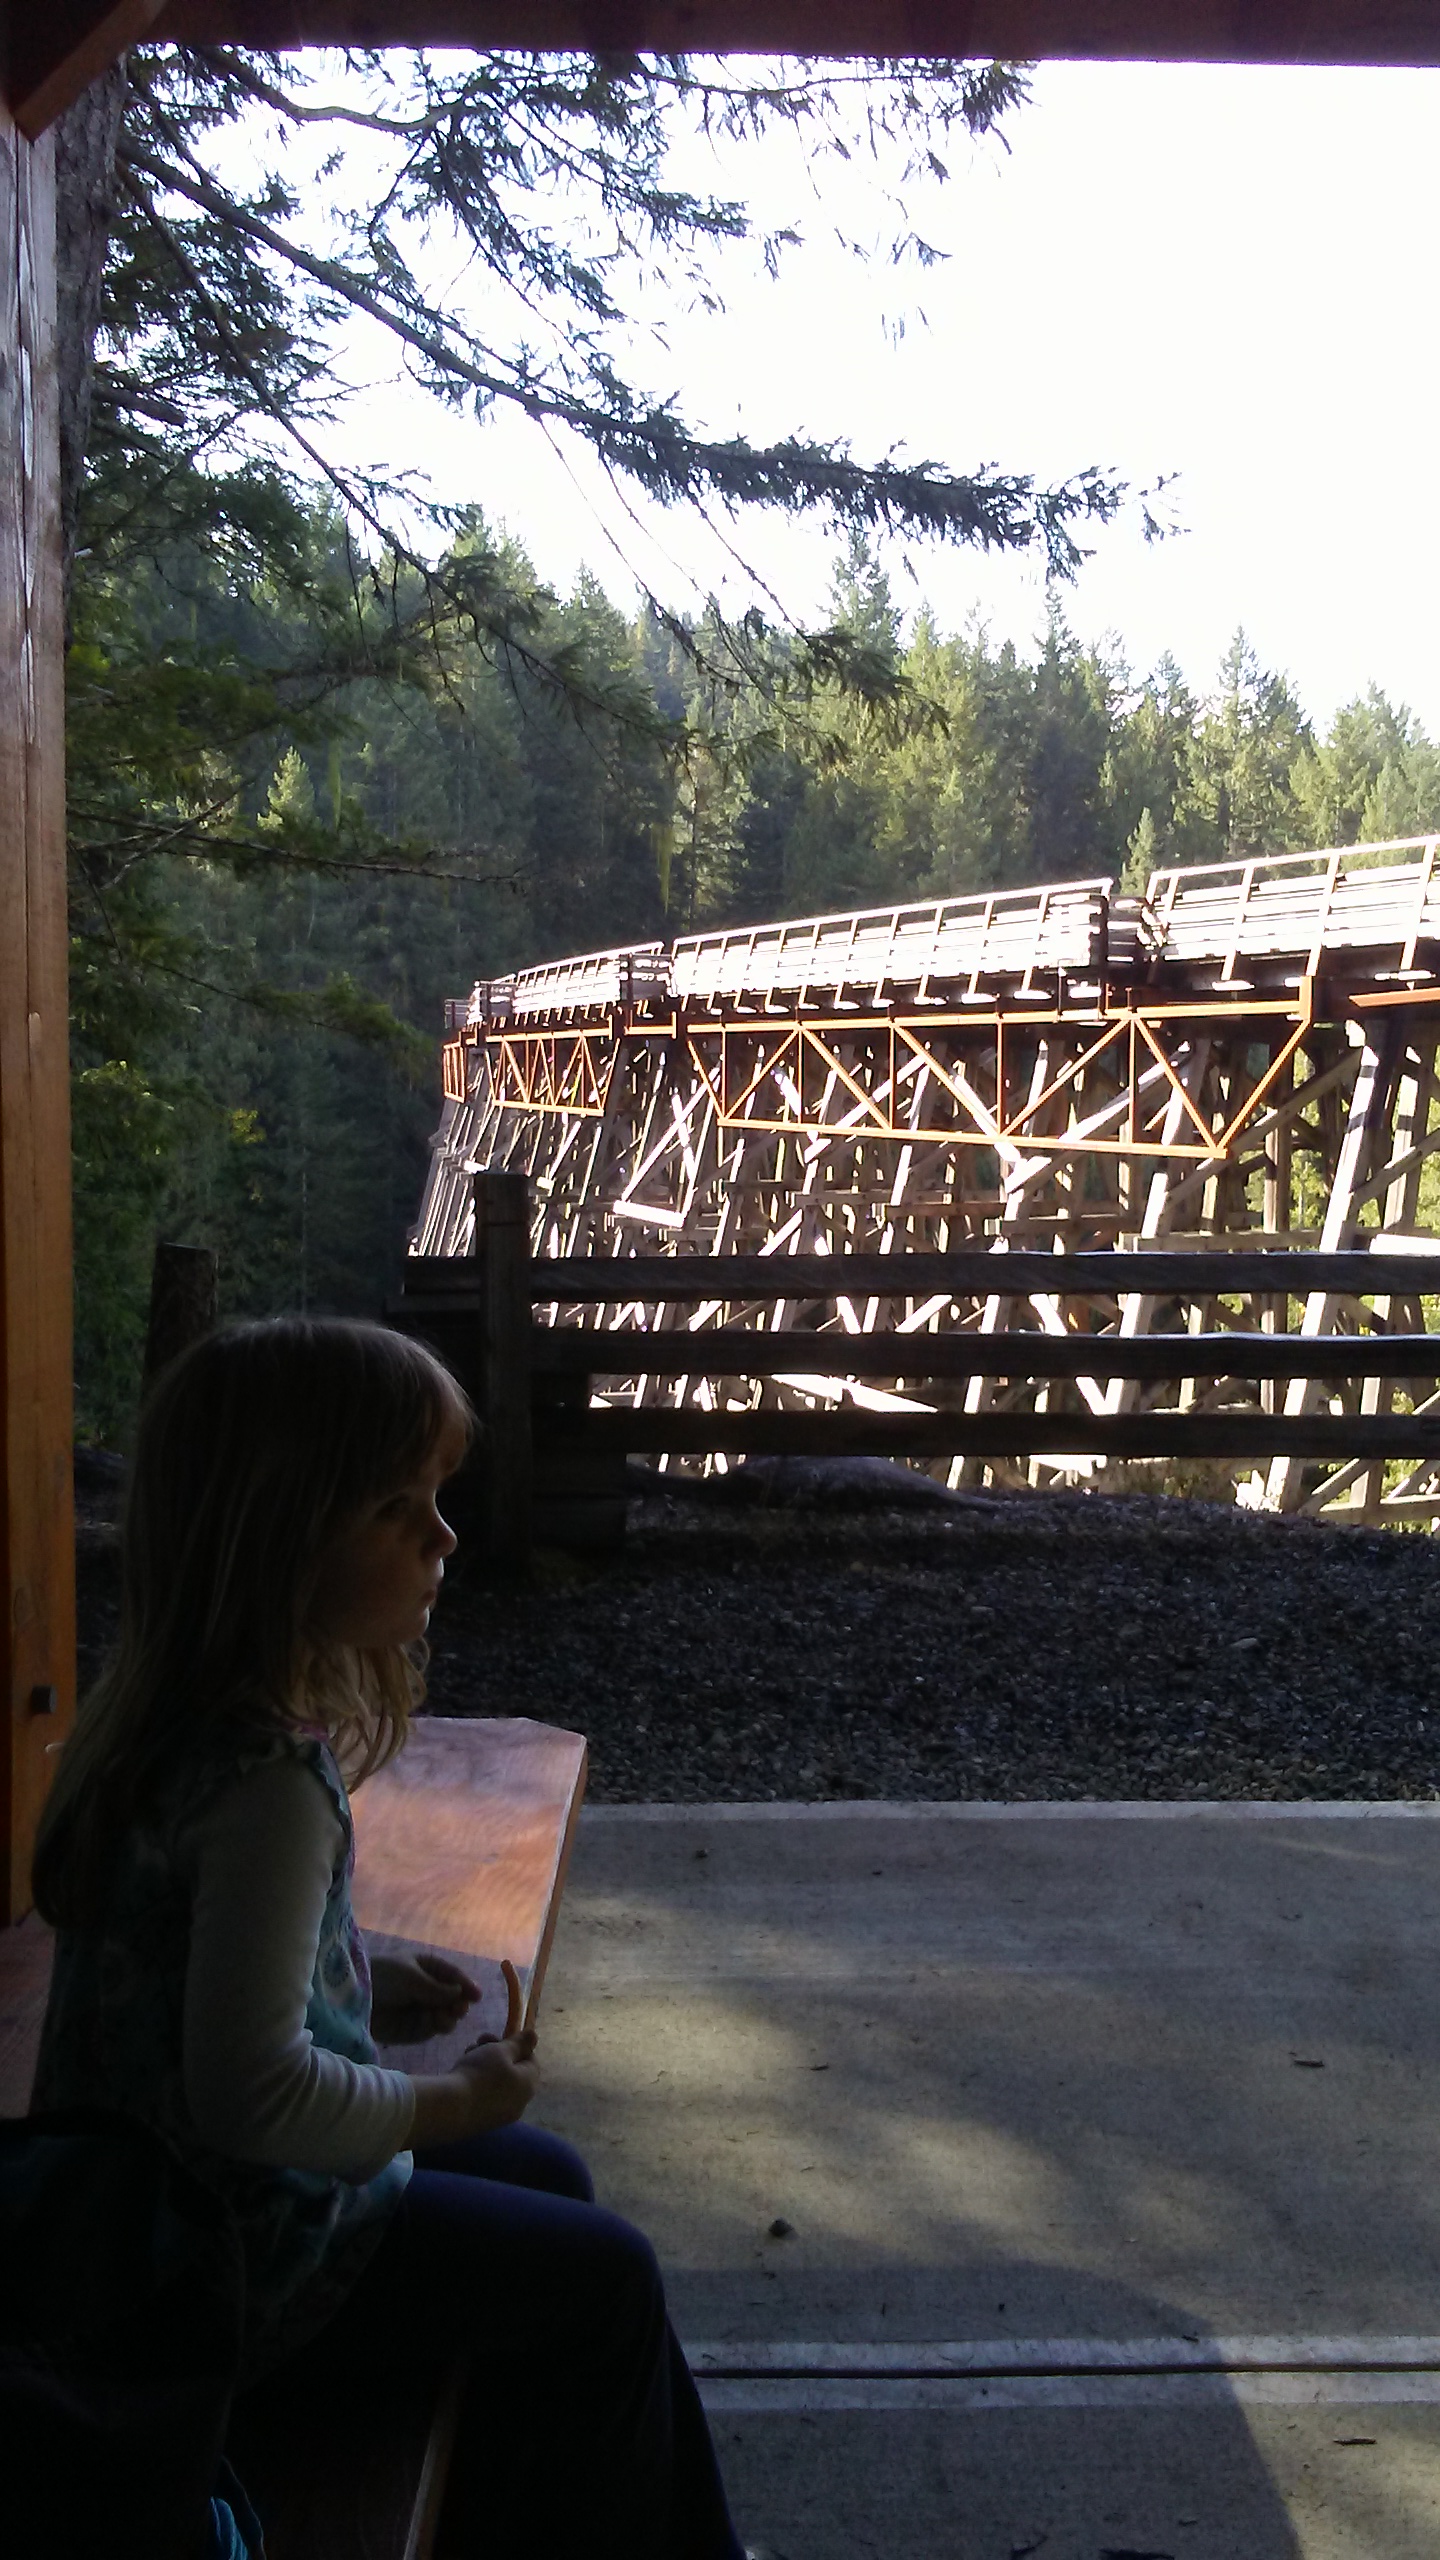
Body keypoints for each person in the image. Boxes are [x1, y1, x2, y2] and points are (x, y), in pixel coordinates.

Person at [31, 1317, 745, 2559]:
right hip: (228, 2266)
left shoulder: (164, 1718)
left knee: (556, 2183)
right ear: (279, 1535)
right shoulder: (270, 1782)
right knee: (609, 2280)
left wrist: (352, 1958)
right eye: (397, 1507)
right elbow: (253, 2094)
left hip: (128, 2211)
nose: (444, 1537)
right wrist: (451, 2103)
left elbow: (198, 1951)